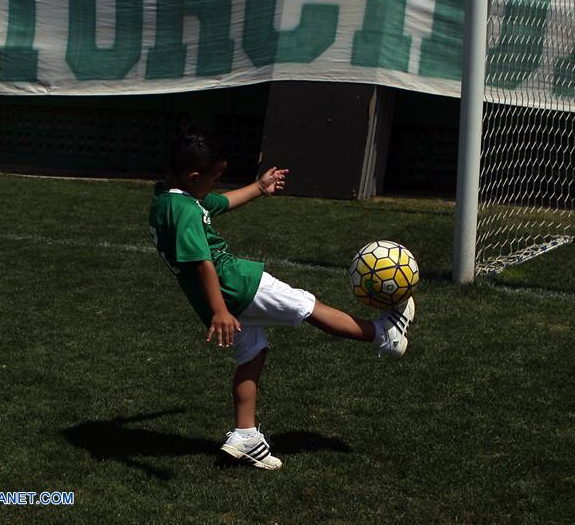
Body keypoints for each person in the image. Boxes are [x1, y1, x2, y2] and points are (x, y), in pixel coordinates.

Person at [148, 128, 415, 470]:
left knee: (252, 352)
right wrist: (220, 311)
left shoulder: (167, 200)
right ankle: (384, 335)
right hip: (237, 285)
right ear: (194, 176)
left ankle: (245, 435)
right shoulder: (185, 208)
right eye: (216, 178)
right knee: (307, 306)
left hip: (216, 299)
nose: (218, 185)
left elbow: (221, 203)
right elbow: (202, 262)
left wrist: (259, 188)